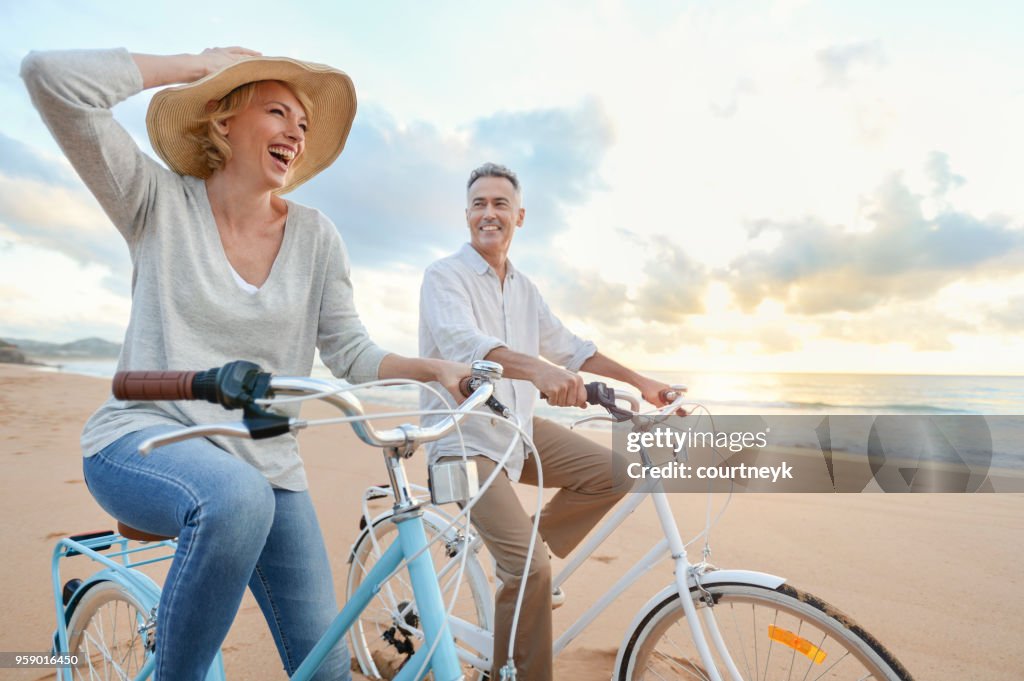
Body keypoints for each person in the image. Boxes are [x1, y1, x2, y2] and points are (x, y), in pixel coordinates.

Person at [21, 47, 467, 681]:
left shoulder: (317, 236)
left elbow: (349, 351)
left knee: (326, 668)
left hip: (268, 465)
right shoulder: (155, 201)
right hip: (143, 438)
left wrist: (434, 369)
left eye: (304, 125)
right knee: (236, 498)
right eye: (277, 112)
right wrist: (188, 66)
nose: (295, 132)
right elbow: (51, 80)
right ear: (223, 122)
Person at [418, 162, 679, 680]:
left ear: (519, 215)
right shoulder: (443, 276)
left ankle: (524, 558)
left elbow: (572, 349)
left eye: (499, 204)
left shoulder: (524, 287)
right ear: (467, 215)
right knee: (530, 569)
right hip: (461, 438)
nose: (488, 213)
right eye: (478, 204)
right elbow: (465, 347)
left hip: (514, 428)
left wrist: (642, 383)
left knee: (614, 473)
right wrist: (537, 370)